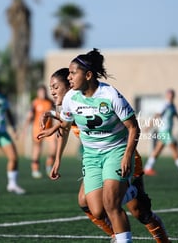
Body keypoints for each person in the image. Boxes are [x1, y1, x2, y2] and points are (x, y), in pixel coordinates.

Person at [39, 67, 170, 242]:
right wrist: (57, 155)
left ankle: (162, 239)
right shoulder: (71, 104)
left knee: (140, 211)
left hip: (121, 156)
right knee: (88, 203)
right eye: (51, 88)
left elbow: (75, 122)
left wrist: (55, 119)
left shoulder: (90, 100)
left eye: (56, 86)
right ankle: (117, 235)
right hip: (97, 159)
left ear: (70, 85)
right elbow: (66, 124)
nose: (52, 92)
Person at [47, 49, 141, 243]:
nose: (69, 77)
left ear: (88, 75)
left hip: (115, 150)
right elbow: (65, 126)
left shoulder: (110, 95)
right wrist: (57, 158)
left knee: (111, 205)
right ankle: (130, 191)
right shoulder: (70, 98)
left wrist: (126, 156)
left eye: (73, 73)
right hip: (91, 156)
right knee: (97, 210)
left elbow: (134, 128)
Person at [144, 89, 178, 176]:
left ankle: (147, 168)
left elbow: (177, 116)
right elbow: (157, 115)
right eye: (169, 95)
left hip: (167, 132)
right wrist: (149, 126)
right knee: (174, 148)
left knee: (157, 150)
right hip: (164, 131)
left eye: (172, 95)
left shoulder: (172, 106)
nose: (171, 97)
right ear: (167, 96)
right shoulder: (164, 105)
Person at [23, 85, 57, 178]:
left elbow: (56, 114)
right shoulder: (35, 103)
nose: (43, 94)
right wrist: (25, 128)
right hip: (37, 129)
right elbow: (30, 116)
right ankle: (35, 169)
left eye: (44, 92)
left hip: (49, 129)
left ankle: (49, 166)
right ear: (38, 93)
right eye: (41, 92)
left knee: (54, 147)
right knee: (37, 149)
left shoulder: (50, 102)